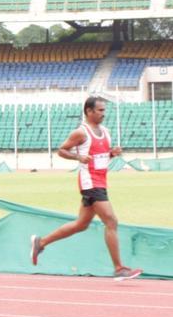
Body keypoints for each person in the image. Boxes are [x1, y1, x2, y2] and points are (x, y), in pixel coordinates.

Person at [30, 95, 141, 280]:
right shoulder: (81, 133)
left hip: (101, 181)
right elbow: (61, 150)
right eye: (100, 110)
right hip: (89, 183)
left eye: (104, 110)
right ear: (89, 111)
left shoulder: (105, 131)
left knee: (81, 224)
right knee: (111, 221)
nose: (104, 113)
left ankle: (41, 243)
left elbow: (100, 157)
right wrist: (78, 158)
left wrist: (111, 154)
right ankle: (119, 268)